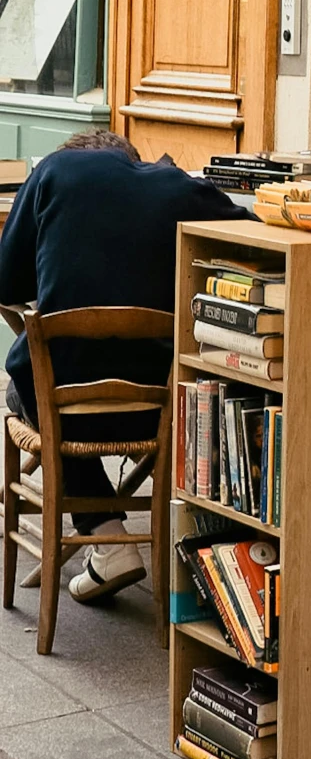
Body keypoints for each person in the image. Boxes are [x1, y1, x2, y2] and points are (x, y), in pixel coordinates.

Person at [0, 130, 244, 604]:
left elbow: (6, 281)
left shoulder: (54, 169)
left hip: (65, 403)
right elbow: (248, 230)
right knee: (64, 375)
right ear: (133, 161)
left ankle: (104, 532)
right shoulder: (176, 185)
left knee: (31, 377)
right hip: (163, 411)